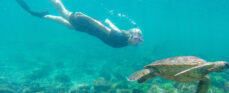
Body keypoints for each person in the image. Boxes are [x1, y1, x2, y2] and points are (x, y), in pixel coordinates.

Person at [16, 0, 144, 48]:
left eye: (140, 40)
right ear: (133, 37)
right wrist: (86, 17)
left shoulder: (125, 37)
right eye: (138, 39)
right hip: (89, 24)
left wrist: (109, 21)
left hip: (89, 29)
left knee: (69, 25)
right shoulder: (122, 38)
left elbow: (114, 28)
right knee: (63, 11)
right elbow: (102, 27)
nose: (138, 42)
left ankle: (43, 15)